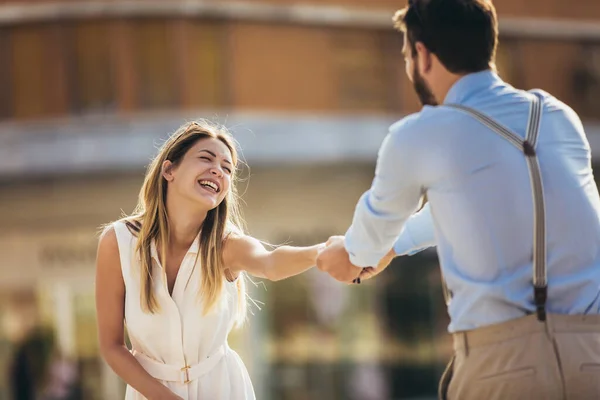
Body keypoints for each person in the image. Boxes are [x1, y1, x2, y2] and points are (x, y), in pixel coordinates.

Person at [316, 0, 600, 399]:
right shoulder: (556, 116)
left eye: (407, 56)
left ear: (422, 55)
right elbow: (481, 198)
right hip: (593, 354)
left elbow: (364, 245)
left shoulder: (418, 134)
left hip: (502, 363)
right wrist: (396, 246)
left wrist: (350, 253)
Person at [95, 120, 324, 399]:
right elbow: (111, 346)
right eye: (206, 158)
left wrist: (321, 252)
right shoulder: (118, 242)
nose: (218, 170)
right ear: (169, 170)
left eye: (227, 169)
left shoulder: (227, 245)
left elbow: (271, 263)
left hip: (223, 389)